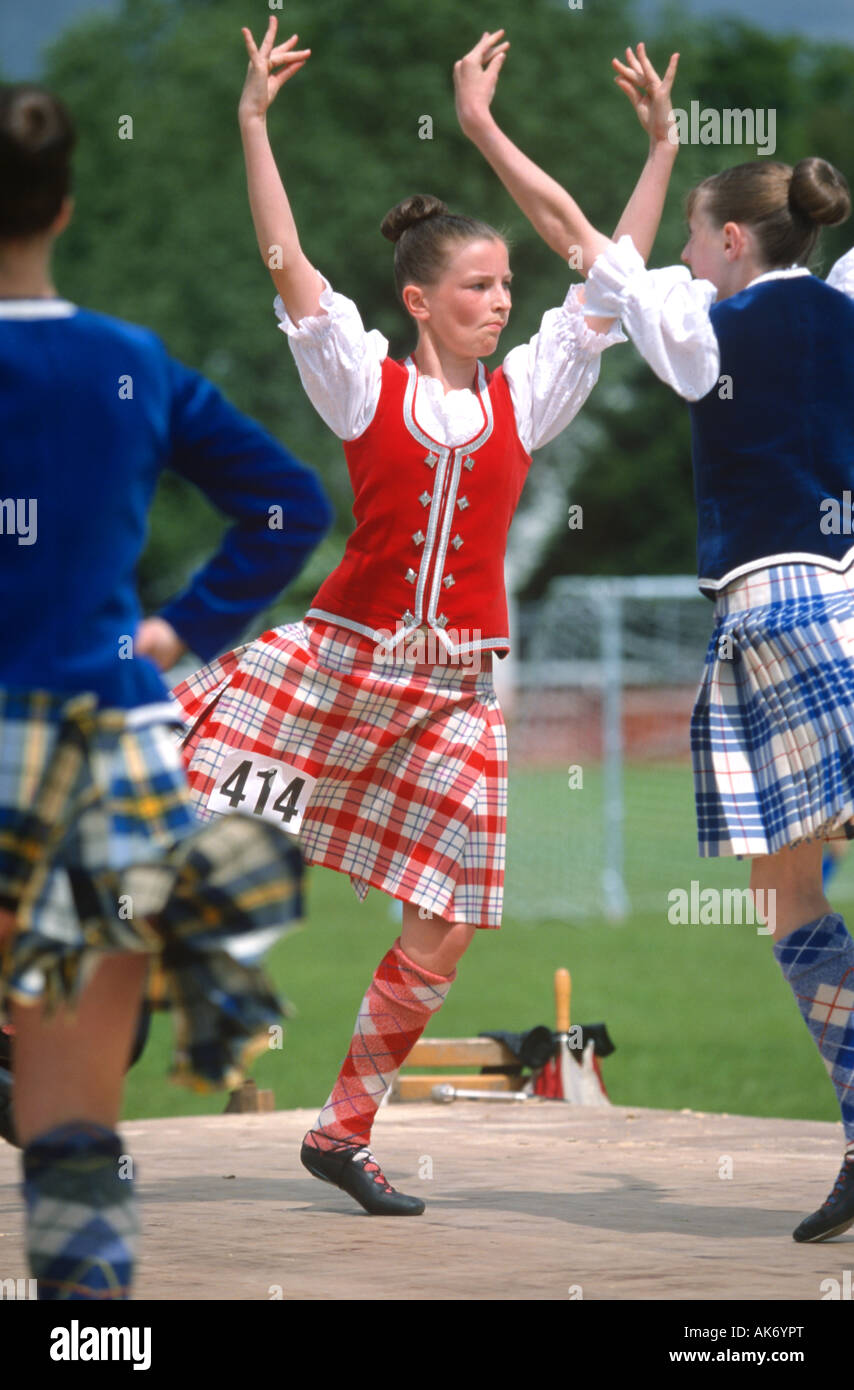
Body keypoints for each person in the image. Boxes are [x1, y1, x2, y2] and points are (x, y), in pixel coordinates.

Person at [172, 20, 679, 1216]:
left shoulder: (529, 393)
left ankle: (340, 1130)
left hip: (456, 688)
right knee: (158, 804)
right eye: (478, 285)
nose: (502, 302)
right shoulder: (361, 377)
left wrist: (658, 148)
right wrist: (251, 122)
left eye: (507, 284)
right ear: (418, 298)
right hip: (342, 666)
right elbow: (283, 255)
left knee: (448, 920)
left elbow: (612, 273)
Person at [0, 80, 332, 1296]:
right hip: (104, 761)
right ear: (66, 207)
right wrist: (177, 632)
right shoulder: (125, 363)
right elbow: (291, 503)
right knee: (75, 1143)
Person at [575, 94, 854, 1240]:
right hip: (838, 596)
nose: (684, 258)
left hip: (782, 611)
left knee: (785, 893)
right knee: (783, 888)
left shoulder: (707, 335)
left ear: (733, 241)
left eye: (695, 238)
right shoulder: (838, 306)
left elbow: (579, 240)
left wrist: (483, 133)